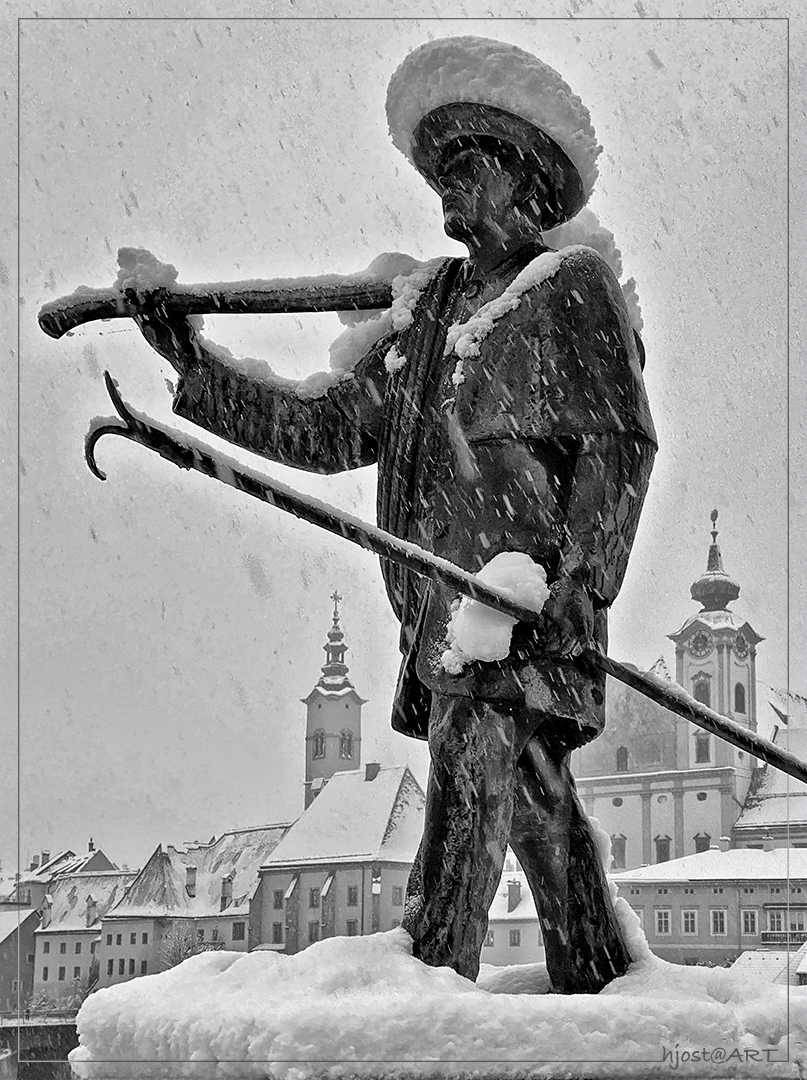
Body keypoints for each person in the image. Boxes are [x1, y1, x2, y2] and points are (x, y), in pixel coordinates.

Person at [133, 37, 657, 993]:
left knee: (466, 792)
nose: (447, 195)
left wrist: (575, 589)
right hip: (447, 619)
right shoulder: (428, 312)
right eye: (441, 177)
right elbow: (329, 429)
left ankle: (421, 988)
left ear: (521, 179)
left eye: (467, 171)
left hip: (520, 615)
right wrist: (194, 368)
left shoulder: (564, 292)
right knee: (539, 810)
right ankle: (607, 983)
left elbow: (618, 453)